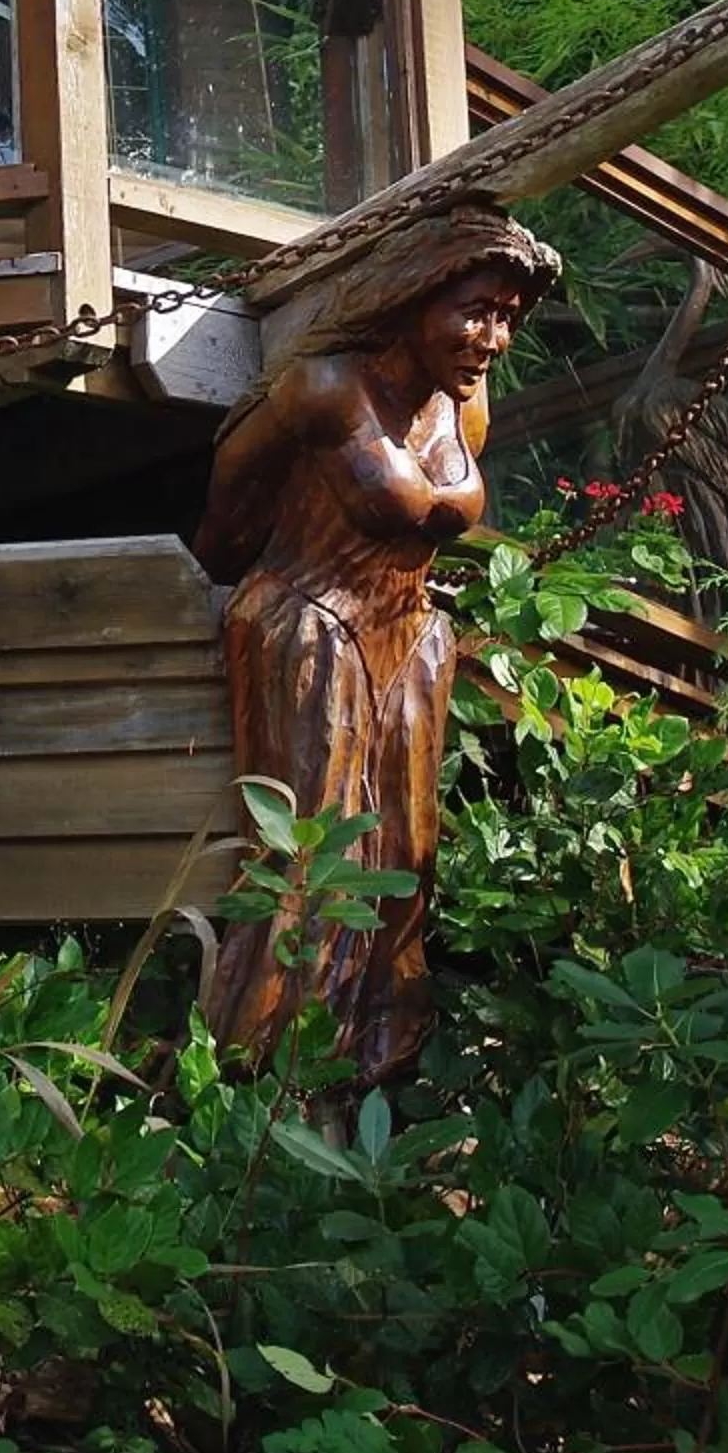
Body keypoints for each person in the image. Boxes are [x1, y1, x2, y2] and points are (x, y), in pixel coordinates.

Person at [195, 202, 561, 1083]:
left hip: (412, 637)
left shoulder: (466, 409)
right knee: (314, 858)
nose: (493, 339)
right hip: (311, 624)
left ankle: (379, 1066)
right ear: (416, 295)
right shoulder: (321, 390)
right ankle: (272, 1072)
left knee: (406, 858)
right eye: (476, 311)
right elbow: (225, 514)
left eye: (509, 317)